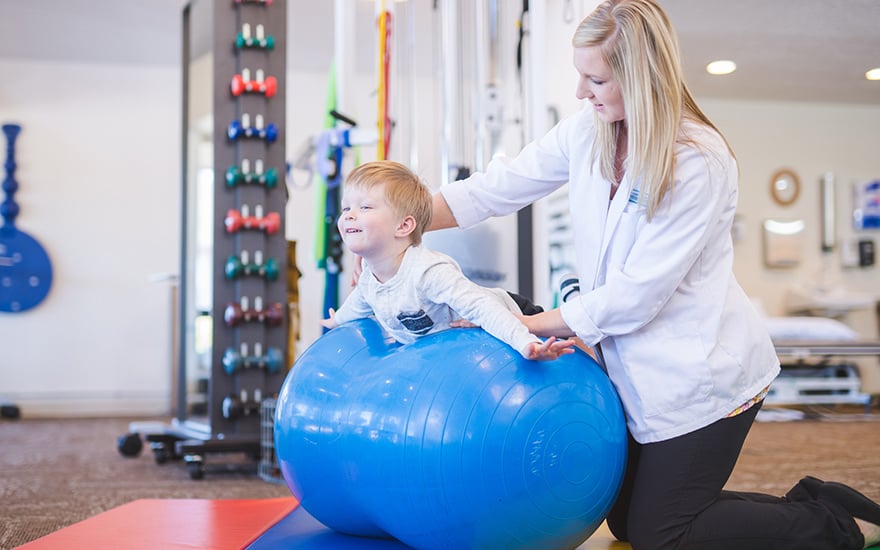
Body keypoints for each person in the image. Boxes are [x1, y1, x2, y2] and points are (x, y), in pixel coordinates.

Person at [426, 1, 880, 548]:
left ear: (640, 78)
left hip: (703, 376)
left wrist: (525, 324)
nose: (579, 92)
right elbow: (495, 188)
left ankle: (828, 524)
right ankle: (815, 500)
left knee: (662, 534)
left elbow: (637, 296)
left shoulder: (698, 160)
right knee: (623, 518)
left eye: (595, 78)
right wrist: (403, 223)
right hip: (637, 371)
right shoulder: (587, 132)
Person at [321, 160, 575, 362]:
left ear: (404, 226)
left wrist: (526, 342)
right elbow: (360, 302)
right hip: (451, 351)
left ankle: (575, 297)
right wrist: (338, 320)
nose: (349, 216)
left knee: (583, 346)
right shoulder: (369, 274)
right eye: (345, 209)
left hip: (509, 316)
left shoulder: (427, 272)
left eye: (364, 207)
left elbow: (482, 308)